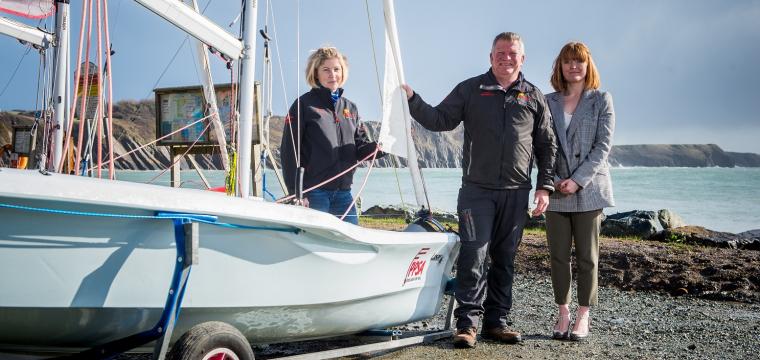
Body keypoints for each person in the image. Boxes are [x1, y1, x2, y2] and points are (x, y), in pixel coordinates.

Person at [402, 32, 556, 348]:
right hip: (476, 193)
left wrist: (545, 188)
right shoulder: (471, 89)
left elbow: (546, 145)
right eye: (500, 52)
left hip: (516, 193)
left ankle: (496, 323)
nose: (506, 57)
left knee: (505, 259)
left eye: (512, 53)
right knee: (474, 257)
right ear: (490, 57)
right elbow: (439, 119)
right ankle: (467, 325)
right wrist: (412, 99)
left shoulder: (533, 96)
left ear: (522, 59)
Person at [544, 41, 615, 341]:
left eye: (579, 61)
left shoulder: (601, 100)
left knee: (588, 257)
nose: (574, 66)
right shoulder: (547, 101)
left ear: (588, 66)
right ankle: (563, 312)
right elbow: (541, 145)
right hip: (557, 189)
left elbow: (603, 146)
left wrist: (577, 180)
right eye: (568, 61)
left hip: (589, 189)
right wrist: (557, 179)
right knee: (558, 256)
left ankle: (583, 316)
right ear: (560, 66)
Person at [280, 46, 382, 225]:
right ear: (316, 73)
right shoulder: (303, 105)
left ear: (343, 72)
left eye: (336, 69)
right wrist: (296, 193)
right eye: (326, 70)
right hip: (314, 193)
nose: (332, 74)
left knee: (351, 243)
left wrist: (383, 146)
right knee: (315, 243)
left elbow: (360, 149)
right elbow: (289, 153)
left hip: (343, 193)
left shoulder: (351, 108)